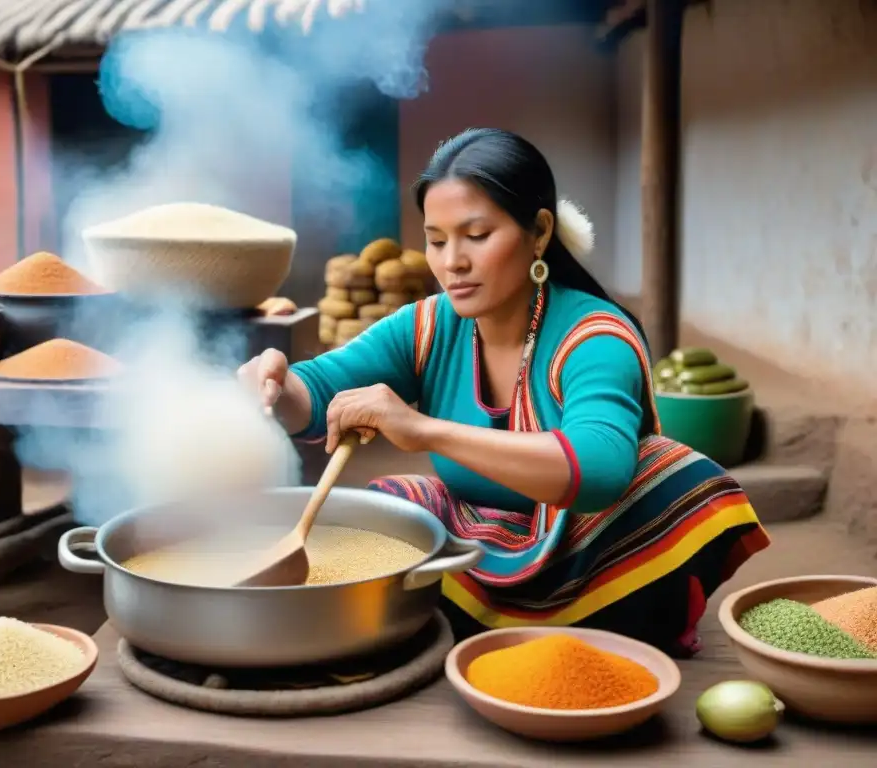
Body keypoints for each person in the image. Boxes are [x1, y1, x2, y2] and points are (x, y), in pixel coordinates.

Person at [239, 128, 769, 655]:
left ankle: (569, 625)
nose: (452, 263)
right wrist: (277, 385)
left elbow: (598, 471)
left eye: (477, 235)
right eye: (437, 240)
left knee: (661, 469)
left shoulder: (595, 335)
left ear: (539, 232)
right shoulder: (428, 325)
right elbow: (322, 390)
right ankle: (492, 618)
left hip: (589, 551)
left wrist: (421, 429)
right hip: (479, 538)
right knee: (387, 504)